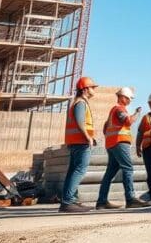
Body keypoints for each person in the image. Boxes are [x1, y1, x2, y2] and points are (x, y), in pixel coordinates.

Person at [96, 87, 149, 209]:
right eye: (129, 99)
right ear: (123, 97)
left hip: (111, 144)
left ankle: (102, 201)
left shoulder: (112, 111)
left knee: (110, 172)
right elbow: (128, 121)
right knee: (128, 169)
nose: (130, 101)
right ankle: (130, 199)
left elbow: (105, 128)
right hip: (119, 143)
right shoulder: (119, 109)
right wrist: (137, 113)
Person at [59, 76, 98, 213]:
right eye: (92, 87)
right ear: (85, 89)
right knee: (80, 169)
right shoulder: (81, 103)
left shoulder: (79, 102)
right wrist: (88, 137)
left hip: (77, 142)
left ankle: (70, 200)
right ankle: (68, 201)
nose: (94, 90)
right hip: (81, 142)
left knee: (73, 170)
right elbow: (80, 122)